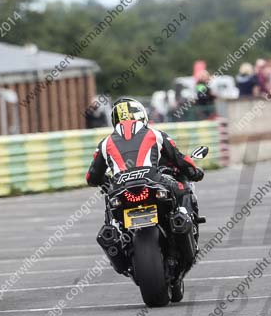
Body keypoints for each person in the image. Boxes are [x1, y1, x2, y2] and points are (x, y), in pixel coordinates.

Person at [86, 98, 205, 244]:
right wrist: (194, 172)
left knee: (111, 211)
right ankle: (184, 223)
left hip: (121, 189)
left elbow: (91, 177)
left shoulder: (104, 143)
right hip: (152, 182)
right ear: (142, 115)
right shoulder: (156, 134)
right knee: (183, 188)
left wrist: (107, 182)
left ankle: (115, 236)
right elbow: (179, 159)